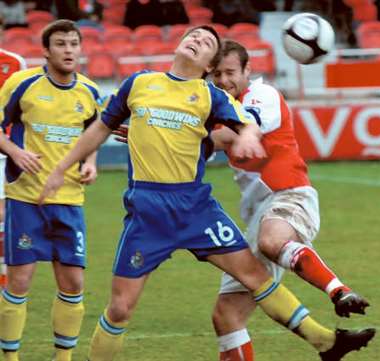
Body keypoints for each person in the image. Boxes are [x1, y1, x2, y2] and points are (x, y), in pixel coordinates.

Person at [37, 25, 359, 361]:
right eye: (193, 36)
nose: (197, 40)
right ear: (179, 44)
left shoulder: (211, 97)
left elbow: (245, 121)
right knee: (119, 308)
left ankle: (325, 342)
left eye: (206, 42)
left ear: (208, 66)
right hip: (148, 210)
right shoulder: (140, 83)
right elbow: (100, 128)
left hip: (196, 207)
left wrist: (247, 134)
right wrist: (61, 169)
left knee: (255, 276)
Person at [209, 39, 375, 361]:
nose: (223, 80)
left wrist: (192, 140)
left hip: (290, 195)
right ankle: (328, 344)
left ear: (247, 70)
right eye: (216, 73)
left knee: (272, 240)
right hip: (259, 213)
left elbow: (241, 131)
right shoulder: (218, 104)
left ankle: (339, 291)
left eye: (229, 72)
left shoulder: (262, 95)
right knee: (227, 315)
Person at [0, 19, 102, 361]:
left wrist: (91, 162)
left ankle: (63, 358)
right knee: (20, 281)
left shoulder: (89, 92)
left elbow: (94, 136)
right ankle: (9, 357)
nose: (68, 50)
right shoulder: (22, 83)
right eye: (60, 44)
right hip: (26, 198)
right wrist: (15, 151)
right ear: (46, 51)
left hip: (70, 200)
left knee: (73, 284)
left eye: (73, 43)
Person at [0, 25, 27, 288]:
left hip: (2, 150)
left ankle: (4, 275)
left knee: (3, 213)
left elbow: (21, 109)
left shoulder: (13, 63)